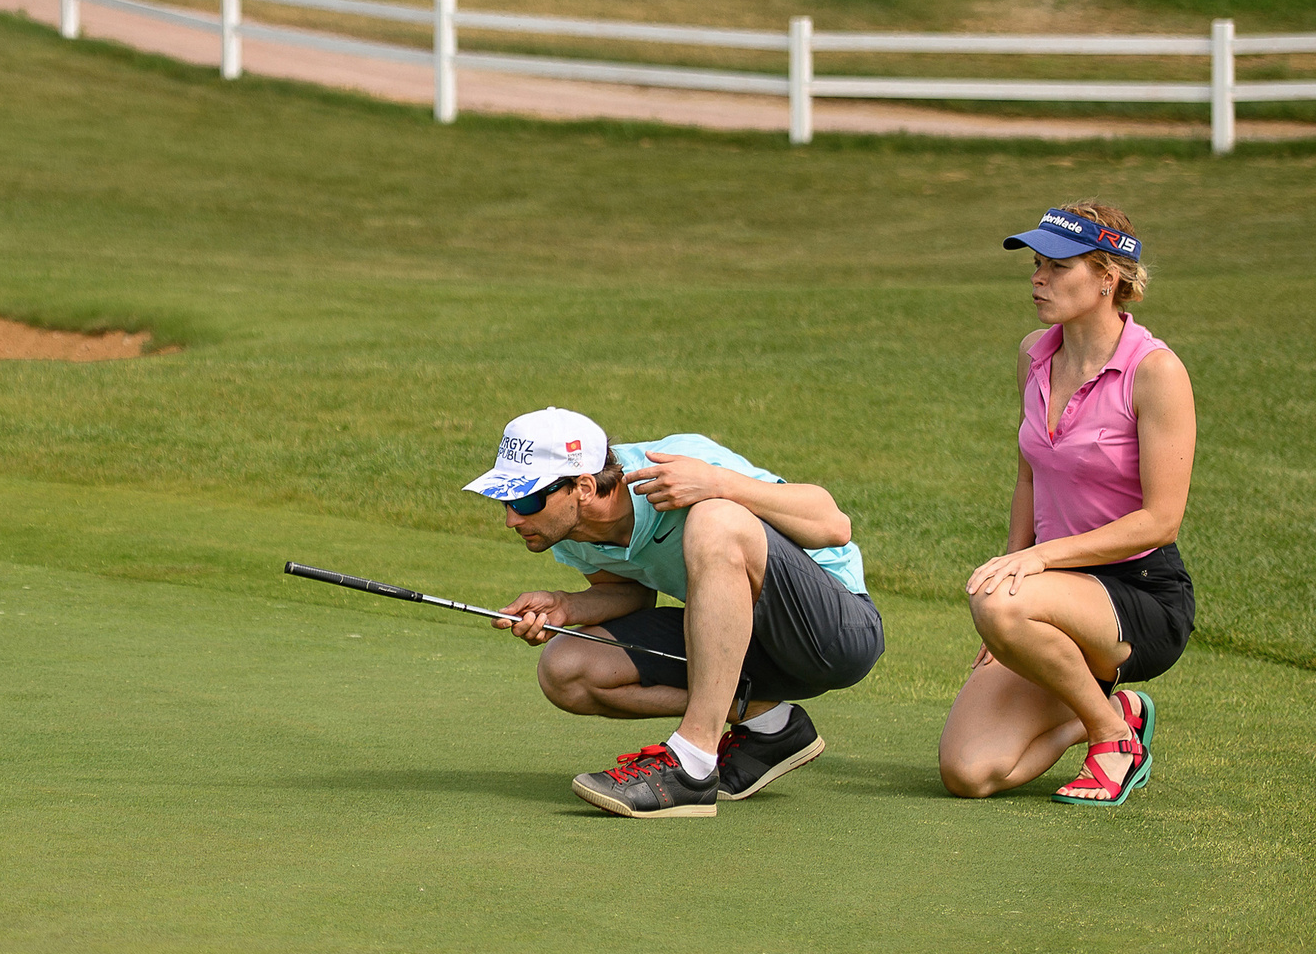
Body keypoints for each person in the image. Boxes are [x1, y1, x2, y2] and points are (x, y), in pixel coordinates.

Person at [465, 408, 885, 818]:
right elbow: (629, 594)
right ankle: (770, 724)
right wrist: (566, 605)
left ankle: (692, 762)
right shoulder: (571, 529)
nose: (511, 519)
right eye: (504, 500)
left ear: (585, 487)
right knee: (565, 667)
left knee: (716, 518)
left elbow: (834, 524)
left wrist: (718, 483)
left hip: (835, 634)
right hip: (744, 652)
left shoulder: (676, 462)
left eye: (527, 499)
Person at [937, 202, 1195, 807]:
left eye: (1057, 266)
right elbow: (1029, 475)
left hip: (1140, 594)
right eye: (1036, 264)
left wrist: (1031, 570)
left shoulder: (1156, 371)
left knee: (1001, 601)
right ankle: (1118, 712)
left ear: (1108, 276)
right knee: (969, 773)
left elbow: (1161, 521)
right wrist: (1012, 572)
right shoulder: (1034, 353)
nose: (1038, 279)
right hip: (1051, 592)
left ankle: (1111, 740)